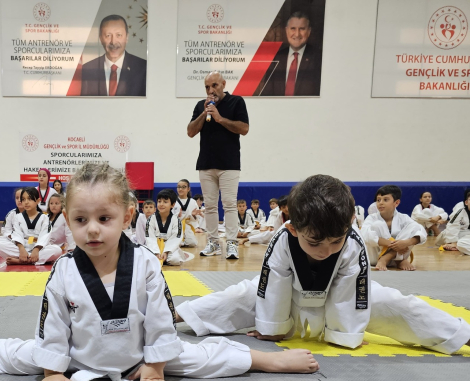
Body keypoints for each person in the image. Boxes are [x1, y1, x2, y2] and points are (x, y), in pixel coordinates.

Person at [0, 162, 319, 381]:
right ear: (67, 220)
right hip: (77, 357)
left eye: (104, 219)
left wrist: (155, 364)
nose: (92, 230)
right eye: (80, 220)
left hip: (141, 356)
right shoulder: (64, 269)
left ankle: (268, 360)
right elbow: (52, 326)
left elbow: (162, 319)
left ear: (127, 217)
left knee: (204, 357)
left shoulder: (146, 263)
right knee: (19, 354)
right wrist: (52, 372)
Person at [174, 175, 470, 355]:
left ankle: (462, 334)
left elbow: (352, 290)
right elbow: (273, 285)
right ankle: (174, 314)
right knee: (239, 295)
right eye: (314, 242)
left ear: (349, 224)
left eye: (335, 241)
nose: (326, 251)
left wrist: (346, 333)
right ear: (294, 229)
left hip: (341, 301)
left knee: (398, 303)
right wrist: (272, 327)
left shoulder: (353, 241)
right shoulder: (282, 238)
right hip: (289, 300)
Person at [188, 71, 249, 259]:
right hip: (206, 163)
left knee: (229, 204)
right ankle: (213, 243)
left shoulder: (236, 102)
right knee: (210, 206)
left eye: (214, 85)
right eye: (207, 87)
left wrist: (220, 118)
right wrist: (204, 113)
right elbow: (190, 132)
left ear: (223, 84)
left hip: (229, 163)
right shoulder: (201, 105)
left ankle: (231, 243)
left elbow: (244, 128)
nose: (210, 90)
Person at [361, 185, 426, 271]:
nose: (381, 203)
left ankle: (390, 259)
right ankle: (390, 259)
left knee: (414, 226)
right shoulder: (371, 218)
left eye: (385, 200)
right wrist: (394, 244)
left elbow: (421, 232)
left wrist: (406, 242)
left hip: (398, 256)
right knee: (377, 225)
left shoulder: (403, 218)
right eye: (378, 200)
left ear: (396, 203)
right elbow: (365, 235)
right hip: (375, 258)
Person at [79, 15, 147, 97]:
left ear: (127, 37)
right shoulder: (86, 70)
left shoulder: (143, 68)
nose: (113, 42)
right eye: (108, 35)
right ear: (101, 39)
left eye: (119, 35)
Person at [258, 12, 322, 97]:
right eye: (293, 28)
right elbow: (267, 94)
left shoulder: (319, 58)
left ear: (309, 31)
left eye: (302, 29)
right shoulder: (277, 57)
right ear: (286, 30)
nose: (297, 34)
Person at [0, 187, 61, 266]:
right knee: (0, 245)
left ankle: (22, 260)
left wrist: (36, 249)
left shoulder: (44, 218)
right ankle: (32, 259)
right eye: (23, 199)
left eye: (29, 199)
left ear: (38, 201)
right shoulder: (17, 217)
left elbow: (45, 236)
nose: (26, 202)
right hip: (23, 246)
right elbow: (17, 234)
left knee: (57, 250)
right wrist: (21, 249)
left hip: (39, 247)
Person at [146, 189, 193, 266]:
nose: (161, 204)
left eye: (165, 202)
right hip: (155, 245)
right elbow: (149, 236)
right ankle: (160, 257)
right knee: (146, 259)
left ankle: (168, 256)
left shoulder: (176, 220)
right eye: (159, 201)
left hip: (170, 246)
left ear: (172, 205)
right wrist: (156, 252)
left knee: (175, 260)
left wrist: (166, 251)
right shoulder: (151, 219)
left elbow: (176, 237)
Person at [174, 179, 200, 248]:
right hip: (175, 226)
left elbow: (196, 219)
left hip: (187, 226)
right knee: (176, 243)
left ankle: (182, 242)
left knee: (192, 243)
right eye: (179, 187)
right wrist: (177, 216)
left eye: (183, 187)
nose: (180, 189)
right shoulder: (173, 201)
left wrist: (193, 215)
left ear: (188, 189)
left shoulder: (193, 202)